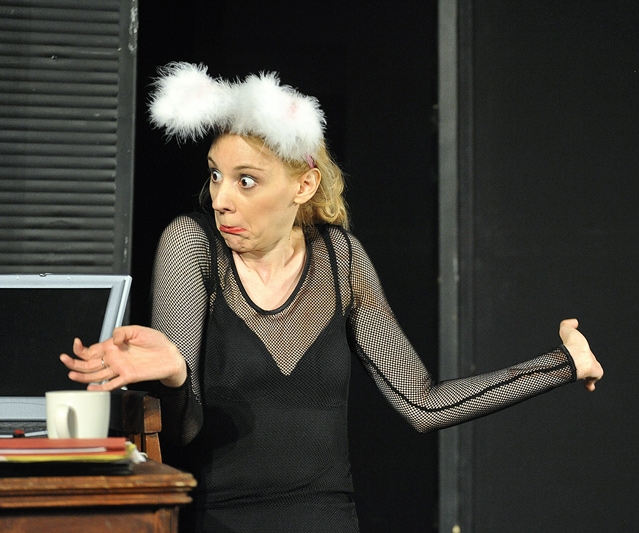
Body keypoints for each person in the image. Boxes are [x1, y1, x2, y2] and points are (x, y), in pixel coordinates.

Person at [60, 62, 603, 532]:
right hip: (219, 518)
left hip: (324, 518)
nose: (221, 198)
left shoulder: (340, 260)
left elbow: (422, 404)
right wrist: (176, 376)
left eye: (246, 181)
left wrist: (561, 364)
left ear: (303, 186)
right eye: (216, 175)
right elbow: (182, 433)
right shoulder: (191, 244)